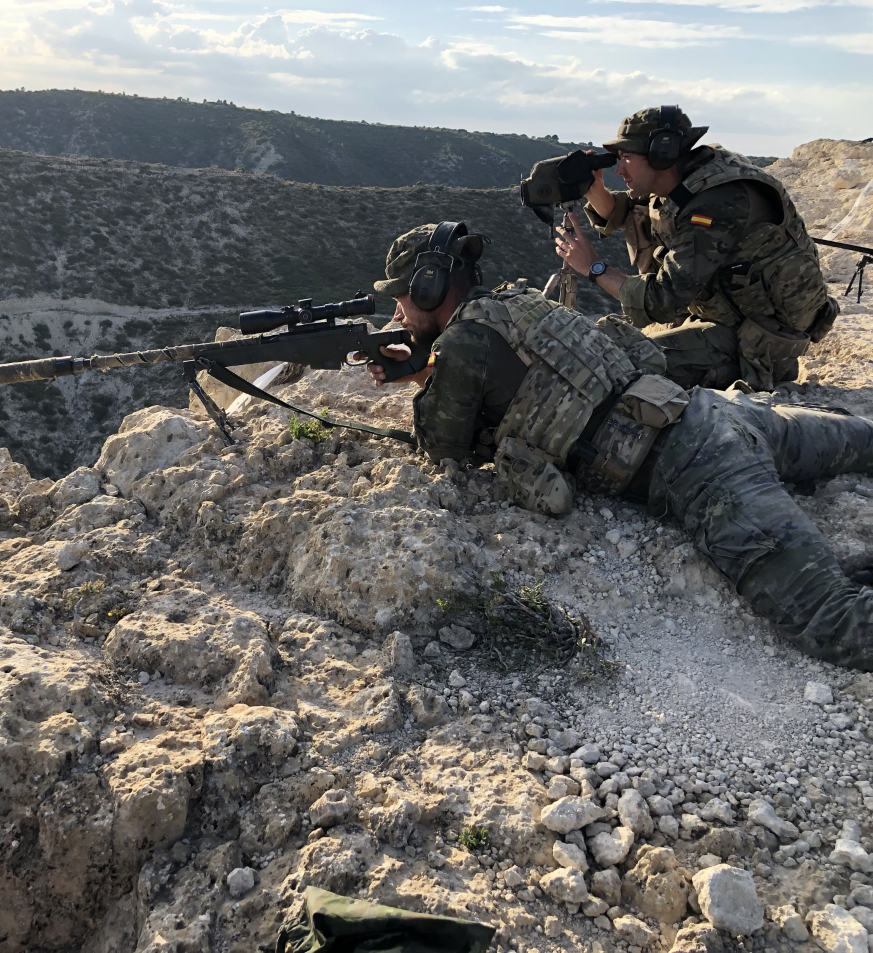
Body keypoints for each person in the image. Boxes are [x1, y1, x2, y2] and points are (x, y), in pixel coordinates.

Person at [367, 220, 872, 670]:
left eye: (401, 297)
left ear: (430, 287)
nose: (398, 311)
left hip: (703, 470)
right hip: (718, 411)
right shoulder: (517, 301)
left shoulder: (460, 346)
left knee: (836, 626)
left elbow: (442, 449)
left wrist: (418, 377)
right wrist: (430, 366)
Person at [552, 105, 837, 392]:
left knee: (621, 367)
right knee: (607, 350)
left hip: (759, 339)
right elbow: (639, 212)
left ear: (661, 155)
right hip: (728, 317)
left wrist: (594, 268)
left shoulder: (717, 201)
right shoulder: (686, 180)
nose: (620, 169)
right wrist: (595, 191)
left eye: (627, 158)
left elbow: (664, 299)